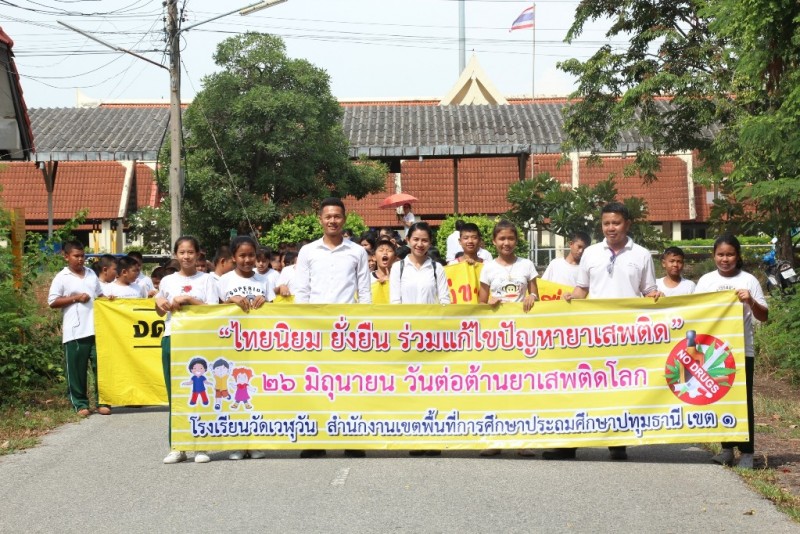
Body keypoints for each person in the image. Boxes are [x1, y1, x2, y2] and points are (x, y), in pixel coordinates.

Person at [545, 202, 662, 461]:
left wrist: (656, 296)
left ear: (627, 224)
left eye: (616, 223)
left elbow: (649, 291)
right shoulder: (591, 253)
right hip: (593, 334)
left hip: (627, 336)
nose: (611, 228)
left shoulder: (641, 254)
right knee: (583, 386)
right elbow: (582, 289)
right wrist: (570, 298)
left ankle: (617, 442)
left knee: (620, 389)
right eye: (606, 223)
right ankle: (569, 444)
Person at [294, 197, 372, 458]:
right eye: (328, 216)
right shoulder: (308, 251)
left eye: (337, 216)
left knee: (349, 385)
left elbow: (365, 292)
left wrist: (363, 326)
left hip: (347, 330)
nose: (332, 221)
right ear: (320, 219)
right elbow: (302, 291)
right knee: (315, 384)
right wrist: (302, 324)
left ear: (344, 219)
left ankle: (353, 439)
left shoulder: (357, 252)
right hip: (315, 330)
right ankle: (315, 440)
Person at [695, 234, 767, 469]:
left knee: (743, 401)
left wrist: (750, 301)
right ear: (713, 256)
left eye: (730, 254)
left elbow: (764, 316)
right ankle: (726, 449)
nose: (725, 259)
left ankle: (747, 452)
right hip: (714, 353)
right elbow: (694, 313)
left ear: (738, 256)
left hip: (742, 352)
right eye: (720, 254)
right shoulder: (706, 281)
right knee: (721, 398)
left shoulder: (749, 280)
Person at [477, 220, 539, 458]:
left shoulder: (527, 265)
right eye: (501, 239)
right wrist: (489, 302)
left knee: (522, 388)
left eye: (510, 238)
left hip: (522, 338)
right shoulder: (488, 268)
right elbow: (480, 303)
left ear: (516, 241)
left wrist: (532, 297)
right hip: (496, 339)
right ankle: (494, 440)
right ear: (494, 242)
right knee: (496, 388)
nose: (506, 243)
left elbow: (535, 293)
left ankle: (523, 441)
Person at [156, 236, 219, 465]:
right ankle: (177, 446)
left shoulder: (208, 279)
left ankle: (201, 445)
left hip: (198, 341)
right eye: (182, 252)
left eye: (190, 252)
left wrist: (189, 300)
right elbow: (160, 312)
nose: (186, 256)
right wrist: (160, 302)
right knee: (176, 395)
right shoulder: (167, 281)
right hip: (172, 338)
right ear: (176, 255)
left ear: (198, 254)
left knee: (200, 395)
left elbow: (213, 310)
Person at [389, 222, 450, 456]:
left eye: (424, 240)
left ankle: (433, 438)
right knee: (411, 388)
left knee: (432, 388)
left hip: (433, 339)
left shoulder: (437, 268)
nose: (420, 244)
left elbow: (444, 302)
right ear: (407, 240)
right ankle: (414, 438)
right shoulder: (398, 268)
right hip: (406, 338)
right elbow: (395, 303)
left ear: (430, 242)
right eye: (415, 239)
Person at [218, 236, 273, 461]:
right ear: (233, 257)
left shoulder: (264, 281)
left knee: (255, 394)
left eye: (251, 255)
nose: (247, 260)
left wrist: (265, 303)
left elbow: (273, 312)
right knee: (234, 394)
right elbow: (214, 310)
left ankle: (256, 441)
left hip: (258, 345)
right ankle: (237, 443)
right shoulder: (224, 280)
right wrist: (230, 301)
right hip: (232, 344)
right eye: (242, 255)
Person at [48, 240, 109, 417]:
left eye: (83, 256)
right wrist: (75, 298)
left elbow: (99, 295)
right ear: (66, 256)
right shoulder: (62, 277)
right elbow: (52, 301)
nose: (80, 259)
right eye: (76, 256)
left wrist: (108, 299)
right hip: (75, 331)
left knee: (102, 367)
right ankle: (80, 404)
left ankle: (103, 401)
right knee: (76, 370)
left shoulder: (91, 274)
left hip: (96, 329)